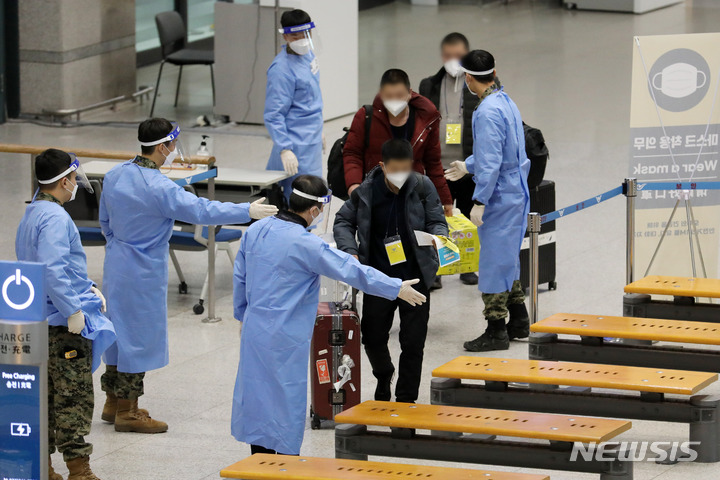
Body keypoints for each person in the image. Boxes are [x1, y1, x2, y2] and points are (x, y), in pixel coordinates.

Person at [99, 118, 278, 433]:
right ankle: (128, 411)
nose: (175, 150)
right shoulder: (159, 187)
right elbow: (202, 211)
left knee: (117, 332)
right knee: (138, 339)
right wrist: (245, 211)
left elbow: (105, 222)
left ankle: (112, 401)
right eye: (173, 145)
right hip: (143, 271)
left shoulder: (115, 176)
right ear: (164, 146)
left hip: (116, 263)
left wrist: (119, 245)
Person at [231, 174, 427, 455]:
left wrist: (242, 315)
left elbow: (241, 277)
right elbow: (351, 269)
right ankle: (285, 464)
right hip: (285, 336)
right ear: (314, 210)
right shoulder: (306, 244)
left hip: (254, 329)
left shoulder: (256, 230)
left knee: (258, 395)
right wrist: (395, 287)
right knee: (285, 399)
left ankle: (258, 461)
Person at [16, 149, 116, 480]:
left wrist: (88, 286)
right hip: (62, 325)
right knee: (72, 399)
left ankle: (42, 467)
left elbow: (56, 266)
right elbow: (53, 270)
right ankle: (79, 470)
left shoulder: (33, 213)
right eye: (74, 179)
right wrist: (73, 309)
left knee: (44, 398)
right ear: (64, 181)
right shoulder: (57, 219)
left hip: (37, 320)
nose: (76, 184)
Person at [334, 139, 448, 403]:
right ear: (383, 166)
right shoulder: (366, 191)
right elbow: (342, 220)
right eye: (395, 169)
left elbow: (436, 220)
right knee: (372, 338)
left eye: (405, 168)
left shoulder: (422, 186)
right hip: (378, 278)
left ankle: (406, 400)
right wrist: (350, 251)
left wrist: (439, 238)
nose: (400, 174)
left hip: (416, 276)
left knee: (413, 343)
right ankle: (384, 373)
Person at [445, 50, 531, 352]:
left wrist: (479, 199)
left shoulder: (485, 112)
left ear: (469, 78)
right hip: (515, 190)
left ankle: (496, 330)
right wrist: (468, 165)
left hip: (499, 196)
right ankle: (519, 321)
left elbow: (492, 161)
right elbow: (503, 152)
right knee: (508, 258)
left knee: (493, 262)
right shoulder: (506, 101)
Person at [343, 68, 453, 216]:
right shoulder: (366, 116)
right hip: (375, 194)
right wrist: (354, 186)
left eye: (400, 96)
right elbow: (352, 153)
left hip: (413, 195)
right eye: (388, 96)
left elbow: (433, 162)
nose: (394, 101)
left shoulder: (426, 119)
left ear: (410, 93)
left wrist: (444, 198)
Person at [419, 32, 479, 288]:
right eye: (448, 55)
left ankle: (467, 267)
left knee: (466, 216)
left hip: (466, 166)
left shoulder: (476, 86)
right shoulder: (429, 85)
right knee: (435, 218)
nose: (452, 60)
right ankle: (436, 269)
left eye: (458, 55)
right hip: (437, 167)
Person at [264, 8, 324, 200]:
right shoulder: (281, 70)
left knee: (314, 196)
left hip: (312, 141)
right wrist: (285, 148)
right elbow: (274, 114)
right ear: (286, 37)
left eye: (306, 35)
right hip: (295, 144)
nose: (303, 41)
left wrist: (318, 128)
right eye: (296, 36)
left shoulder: (308, 56)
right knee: (299, 199)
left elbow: (312, 97)